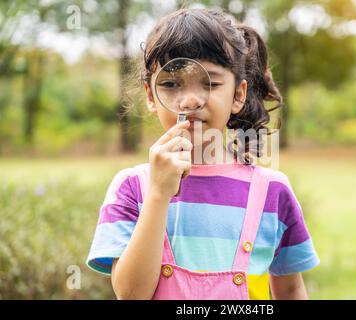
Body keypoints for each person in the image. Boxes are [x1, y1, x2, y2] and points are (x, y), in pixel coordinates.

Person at [86, 7, 319, 300]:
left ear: (238, 95)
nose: (191, 99)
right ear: (150, 96)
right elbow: (131, 295)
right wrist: (158, 194)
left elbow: (291, 289)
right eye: (171, 84)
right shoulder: (132, 187)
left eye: (211, 82)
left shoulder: (272, 191)